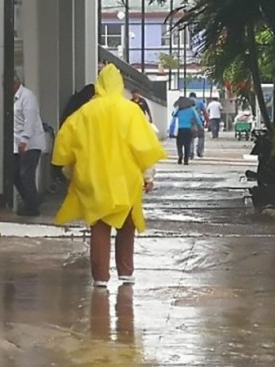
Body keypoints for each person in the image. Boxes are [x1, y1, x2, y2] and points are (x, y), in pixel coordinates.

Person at [52, 64, 166, 289]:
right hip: (126, 180)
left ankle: (101, 277)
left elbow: (66, 147)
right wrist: (148, 176)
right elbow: (144, 147)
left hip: (94, 179)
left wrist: (72, 175)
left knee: (99, 228)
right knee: (127, 226)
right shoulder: (131, 111)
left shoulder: (84, 113)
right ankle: (126, 272)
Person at [13, 74, 46, 216]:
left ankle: (32, 207)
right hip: (16, 143)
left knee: (26, 174)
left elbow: (29, 120)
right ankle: (32, 200)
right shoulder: (12, 98)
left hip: (30, 143)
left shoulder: (27, 97)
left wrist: (24, 140)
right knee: (14, 174)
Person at [189, 93, 209, 158]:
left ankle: (191, 152)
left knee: (191, 137)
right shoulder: (200, 102)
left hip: (189, 122)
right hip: (198, 121)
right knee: (201, 136)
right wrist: (207, 121)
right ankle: (199, 151)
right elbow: (205, 112)